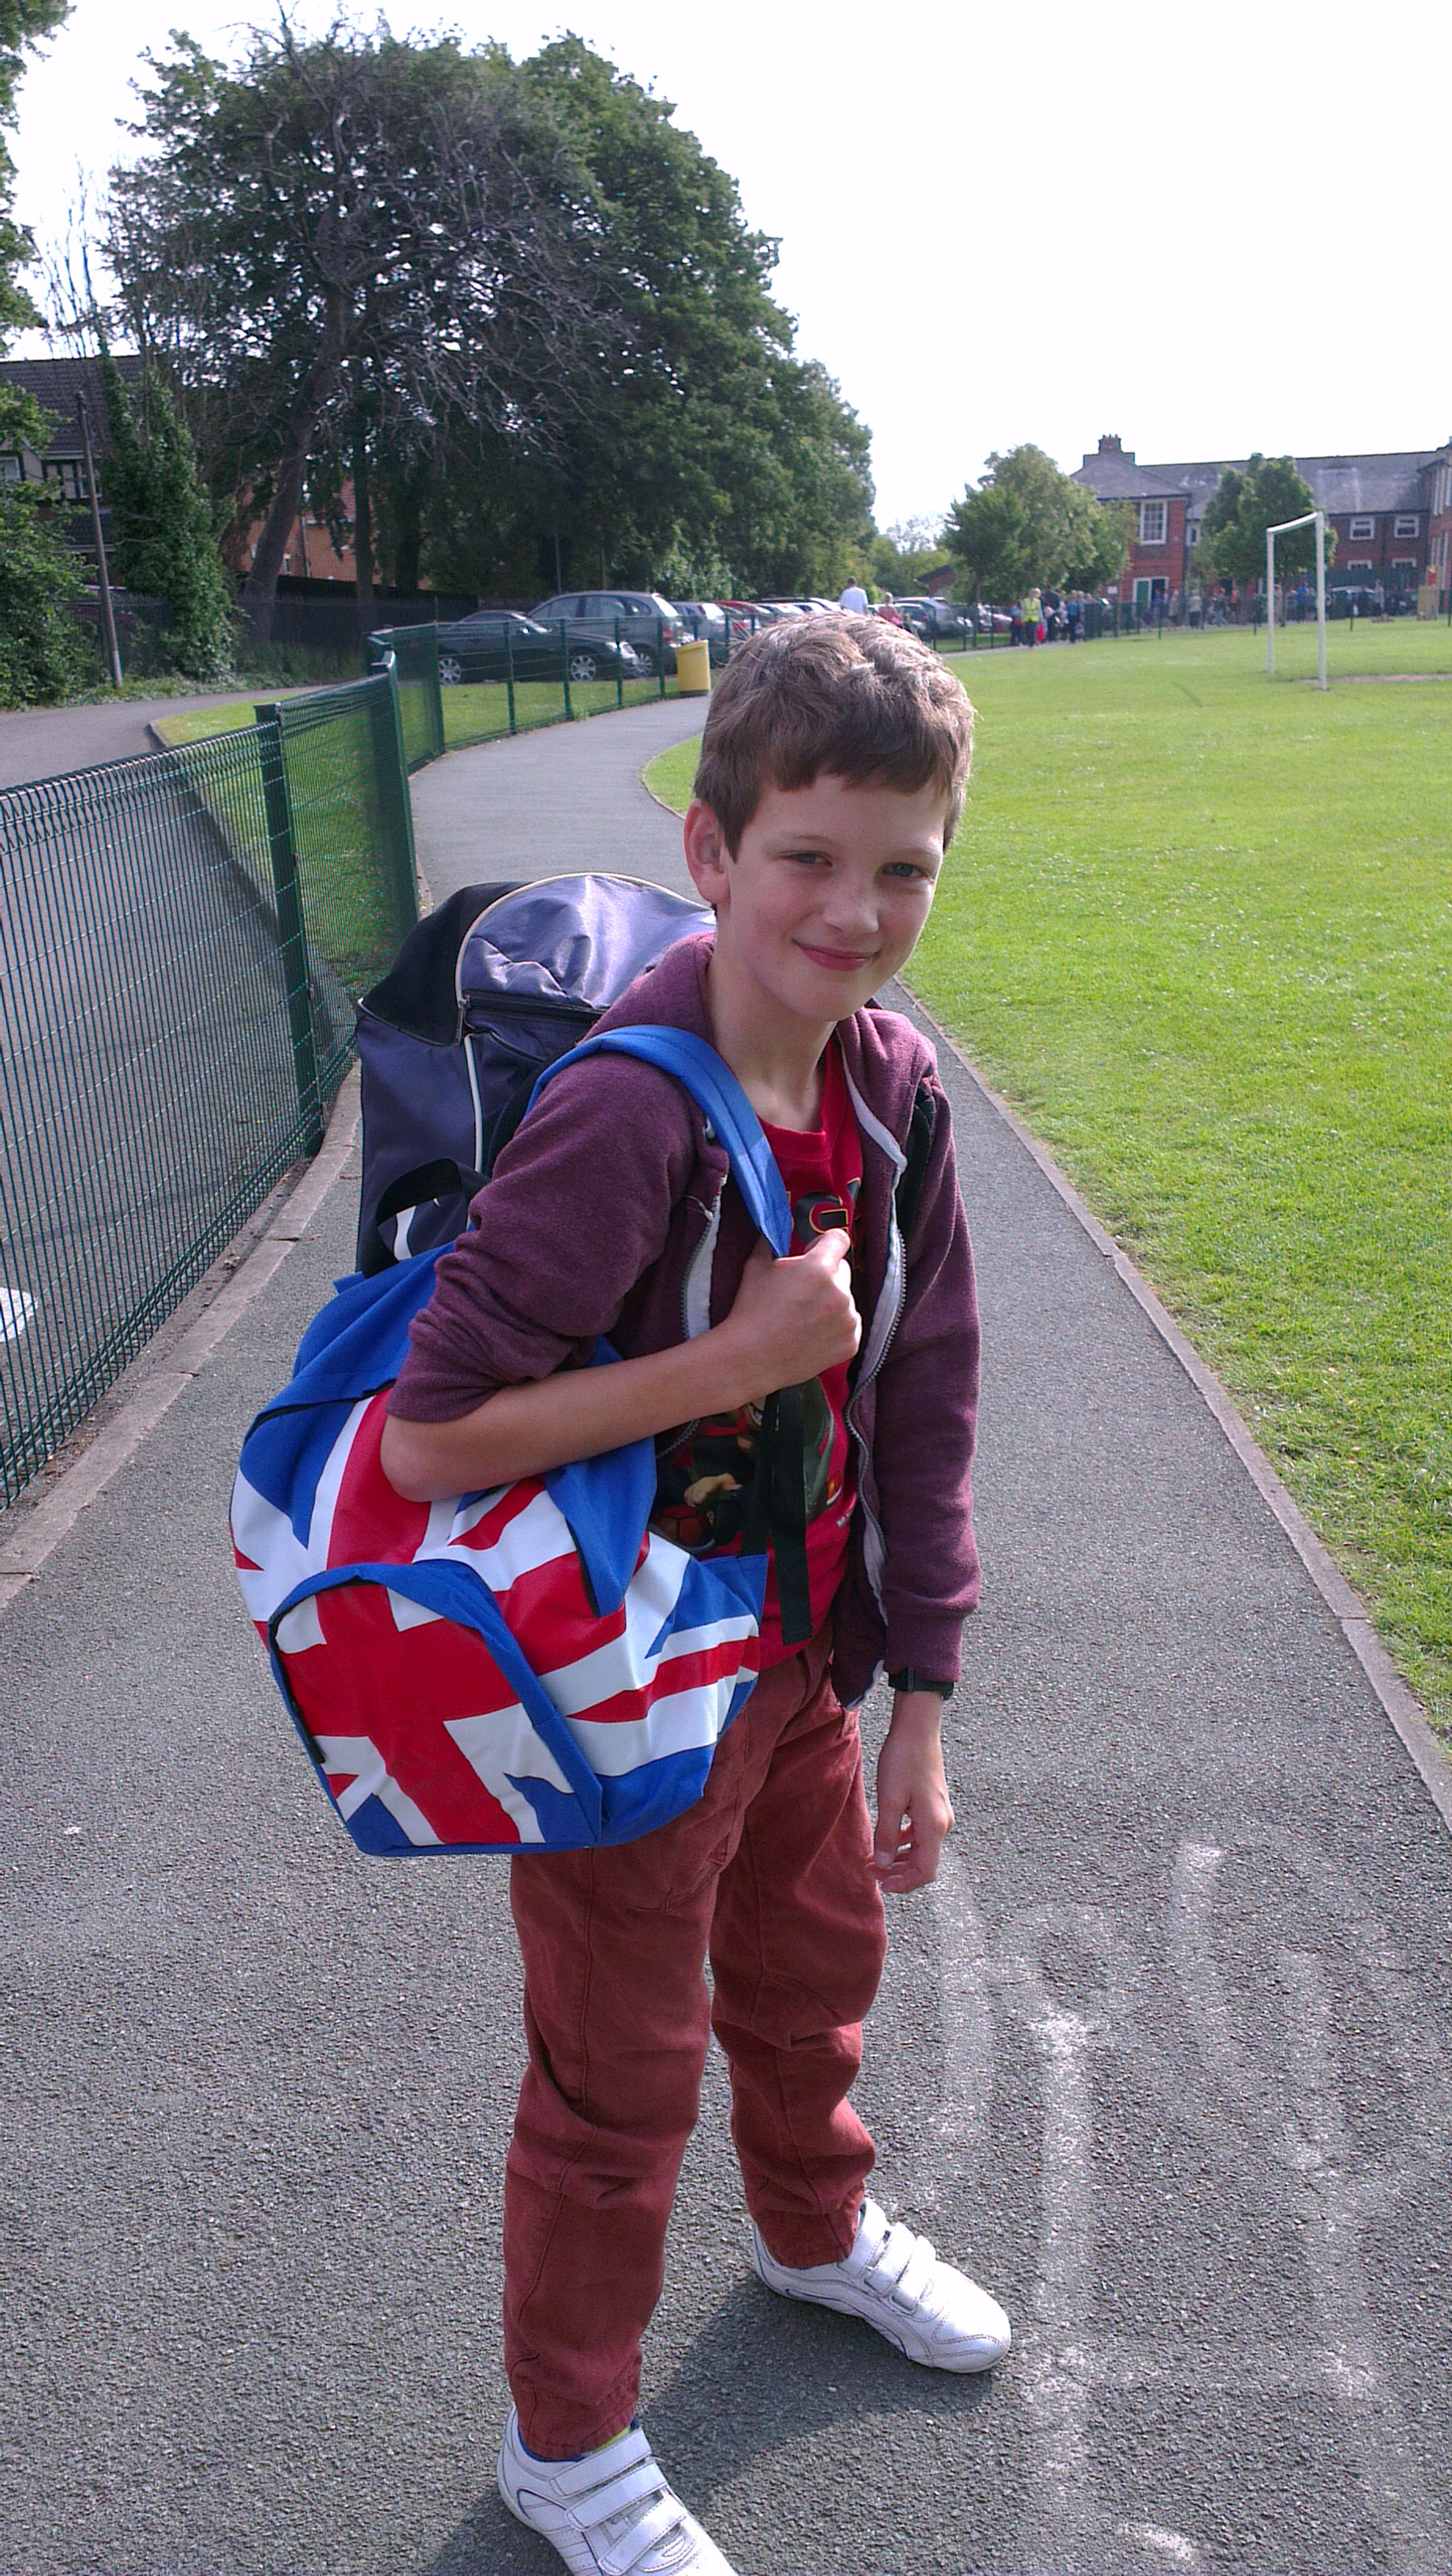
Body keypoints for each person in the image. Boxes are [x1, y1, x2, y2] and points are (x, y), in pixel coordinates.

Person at [380, 616, 1007, 2576]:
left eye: (902, 866)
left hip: (796, 1669)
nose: (854, 910)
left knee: (814, 1981)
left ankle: (813, 2233)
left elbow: (924, 1392)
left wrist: (918, 1701)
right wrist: (729, 1363)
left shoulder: (891, 1090)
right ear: (711, 854)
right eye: (807, 856)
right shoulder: (623, 1113)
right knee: (616, 2083)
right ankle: (564, 2445)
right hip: (618, 1695)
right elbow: (428, 1439)